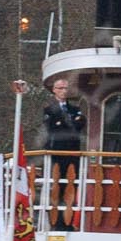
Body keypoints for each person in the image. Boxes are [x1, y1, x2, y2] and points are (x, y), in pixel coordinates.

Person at [39, 76, 86, 230]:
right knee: (57, 185)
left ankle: (69, 221)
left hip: (73, 152)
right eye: (60, 88)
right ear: (54, 90)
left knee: (72, 185)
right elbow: (52, 128)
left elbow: (80, 124)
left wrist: (65, 124)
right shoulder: (48, 108)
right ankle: (56, 221)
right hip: (56, 151)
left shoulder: (75, 108)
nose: (63, 91)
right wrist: (70, 124)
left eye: (65, 88)